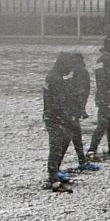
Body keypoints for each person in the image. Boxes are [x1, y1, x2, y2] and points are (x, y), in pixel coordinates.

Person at [41, 52, 88, 191]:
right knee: (56, 147)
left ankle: (54, 173)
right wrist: (67, 116)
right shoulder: (54, 79)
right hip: (55, 118)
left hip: (56, 117)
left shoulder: (55, 77)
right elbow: (58, 102)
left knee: (63, 142)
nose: (71, 70)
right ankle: (53, 179)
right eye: (70, 66)